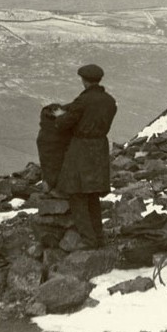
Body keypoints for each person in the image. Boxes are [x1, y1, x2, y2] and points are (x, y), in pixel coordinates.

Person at [54, 64, 117, 249]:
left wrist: (58, 116)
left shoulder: (83, 100)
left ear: (84, 80)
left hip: (81, 148)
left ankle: (88, 239)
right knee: (92, 194)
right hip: (99, 147)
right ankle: (98, 236)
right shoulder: (109, 101)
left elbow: (64, 123)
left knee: (77, 193)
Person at [36, 103, 72, 196]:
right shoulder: (58, 128)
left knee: (47, 166)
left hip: (45, 143)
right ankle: (55, 189)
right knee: (56, 165)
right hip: (55, 145)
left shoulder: (45, 126)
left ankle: (48, 185)